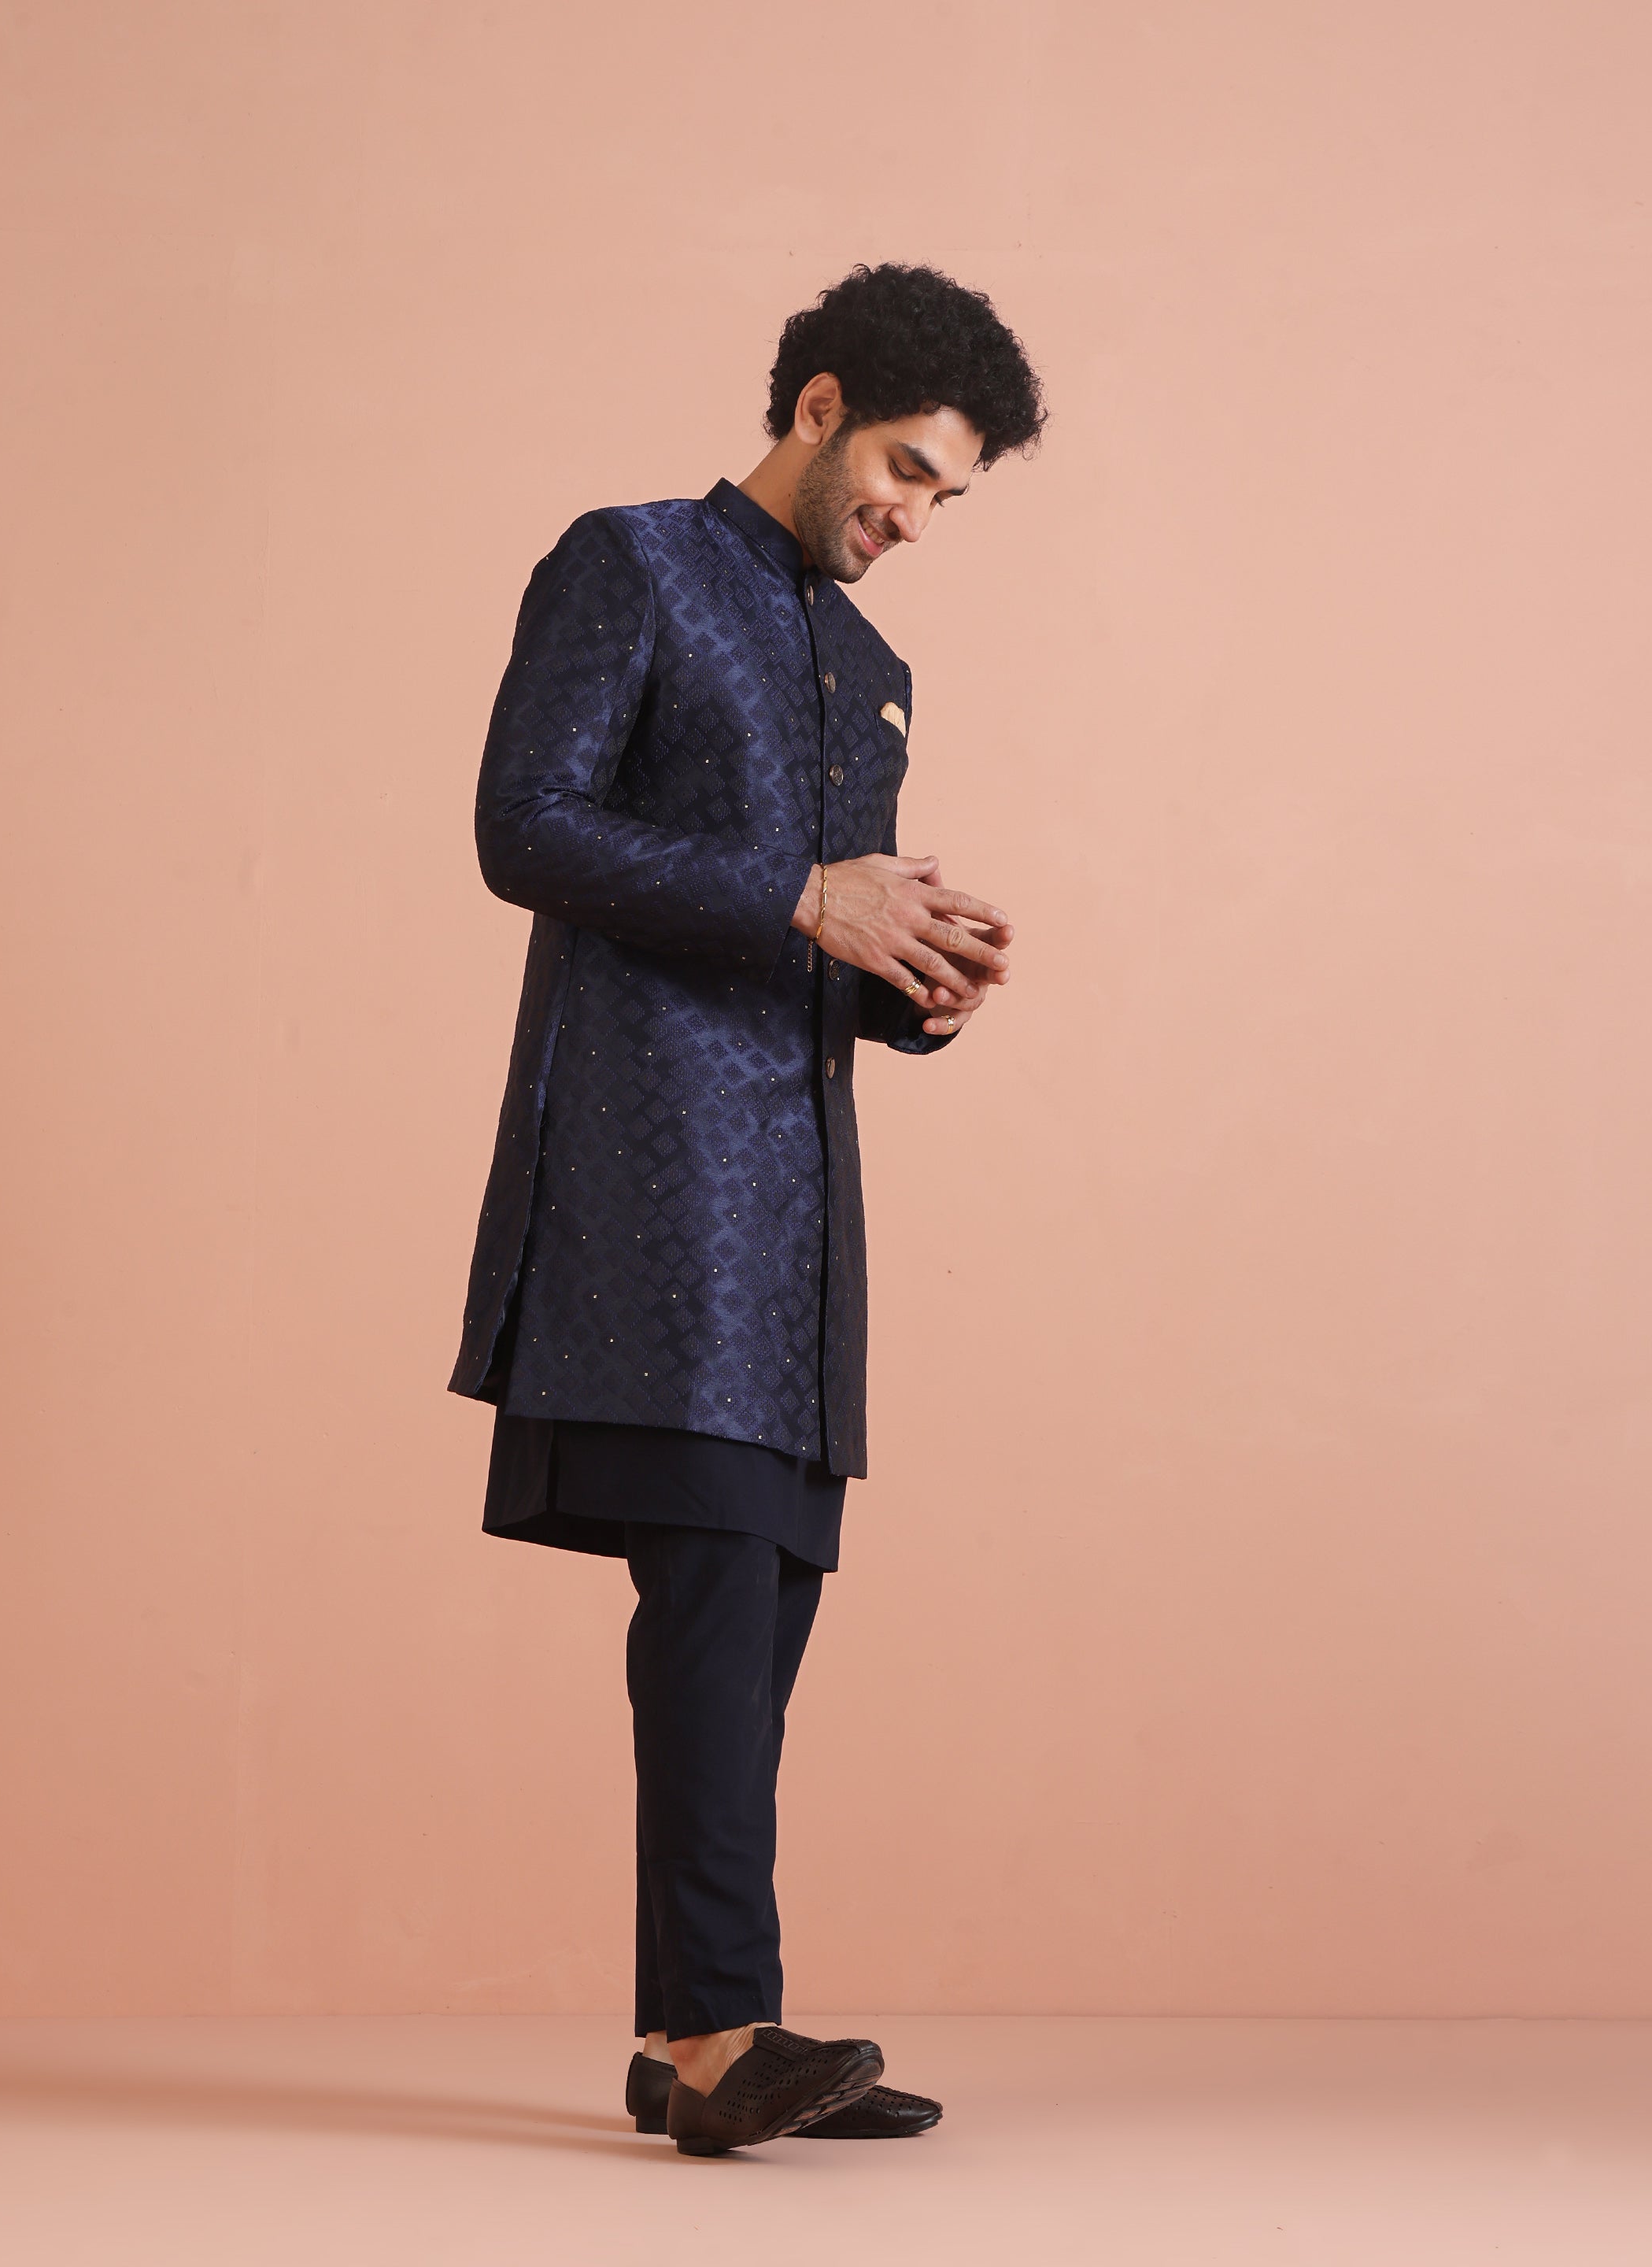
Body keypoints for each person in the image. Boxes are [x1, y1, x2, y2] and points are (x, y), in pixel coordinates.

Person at [449, 262, 1044, 2154]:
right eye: (906, 469)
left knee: (761, 1599)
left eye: (949, 497)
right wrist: (804, 896)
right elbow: (524, 825)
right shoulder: (628, 565)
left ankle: (691, 2040)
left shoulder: (871, 673)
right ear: (818, 405)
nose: (915, 518)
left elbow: (827, 941)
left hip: (800, 1224)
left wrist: (913, 983)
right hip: (650, 1183)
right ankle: (721, 2034)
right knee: (712, 1586)